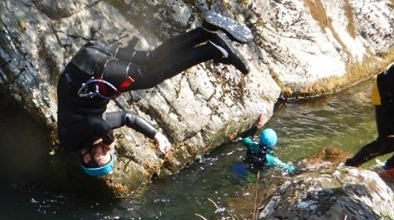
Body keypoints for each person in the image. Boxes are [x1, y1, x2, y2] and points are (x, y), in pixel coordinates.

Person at [57, 12, 253, 177]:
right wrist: (156, 135)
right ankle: (205, 31)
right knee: (152, 59)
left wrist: (109, 139)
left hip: (89, 71)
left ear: (87, 158)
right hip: (88, 56)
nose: (108, 149)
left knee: (148, 77)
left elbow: (96, 124)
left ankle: (212, 49)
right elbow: (126, 118)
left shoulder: (72, 143)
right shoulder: (82, 134)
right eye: (109, 152)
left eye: (104, 154)